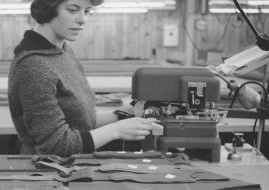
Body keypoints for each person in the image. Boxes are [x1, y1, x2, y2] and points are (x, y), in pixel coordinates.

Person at [8, 0, 159, 157]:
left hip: (73, 167)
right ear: (47, 9)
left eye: (87, 11)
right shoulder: (33, 66)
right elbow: (55, 146)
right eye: (73, 10)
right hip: (50, 174)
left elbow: (81, 120)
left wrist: (126, 113)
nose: (83, 20)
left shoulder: (62, 52)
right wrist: (117, 130)